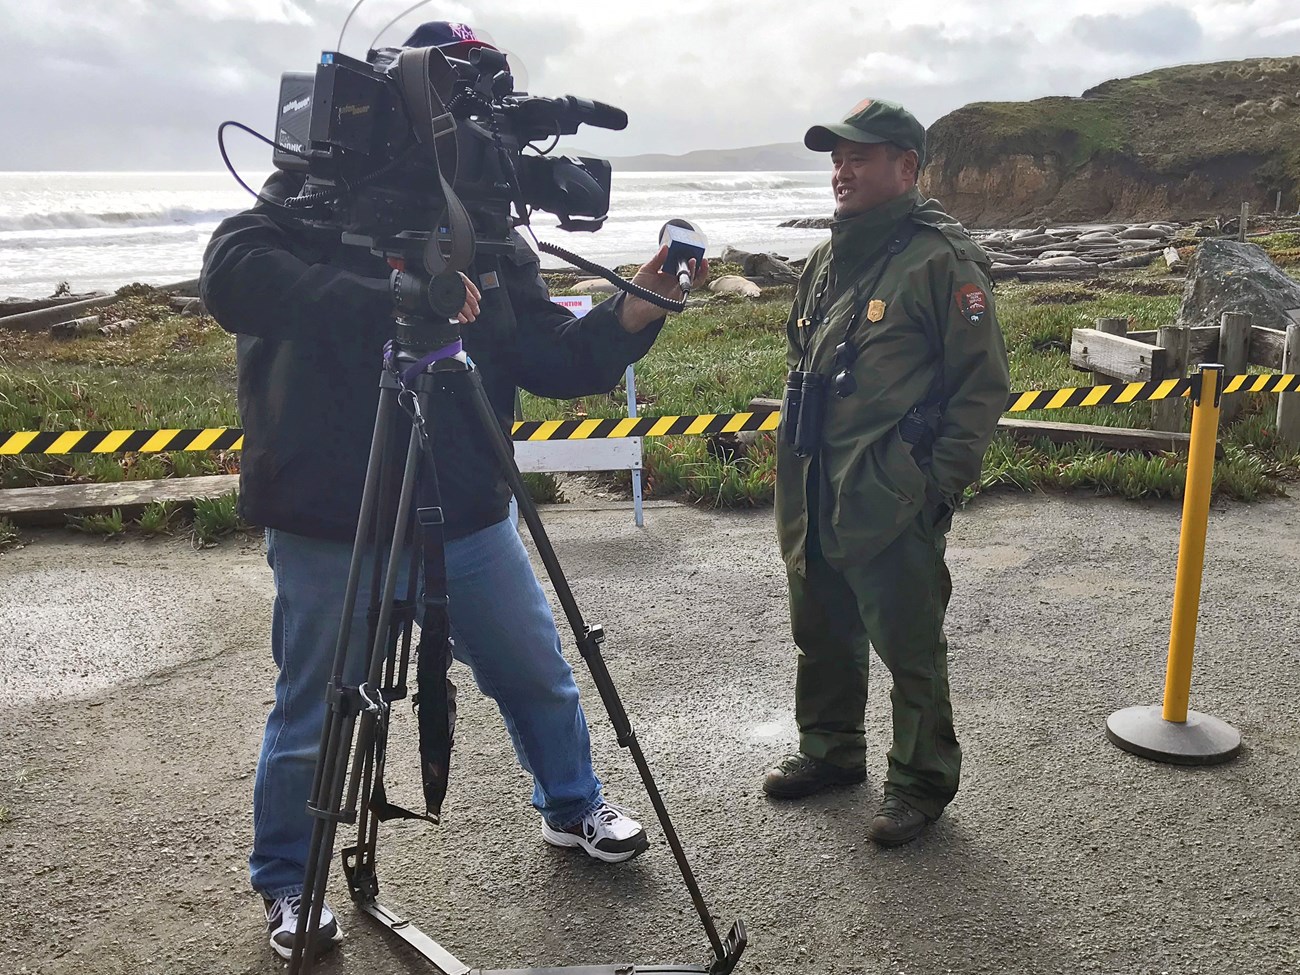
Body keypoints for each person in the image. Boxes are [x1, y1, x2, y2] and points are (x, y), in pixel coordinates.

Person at [201, 21, 704, 960]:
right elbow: (232, 274)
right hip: (329, 513)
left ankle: (573, 807)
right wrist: (390, 300)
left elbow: (545, 355)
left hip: (465, 503)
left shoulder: (484, 226)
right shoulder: (312, 192)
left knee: (537, 670)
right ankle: (287, 881)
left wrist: (637, 308)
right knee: (314, 701)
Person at [761, 99, 1010, 847]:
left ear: (906, 167)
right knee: (823, 629)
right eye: (837, 158)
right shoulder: (826, 258)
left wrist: (935, 486)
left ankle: (921, 782)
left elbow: (981, 385)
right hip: (814, 483)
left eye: (859, 157)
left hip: (890, 491)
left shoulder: (941, 261)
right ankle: (830, 751)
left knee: (909, 645)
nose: (842, 170)